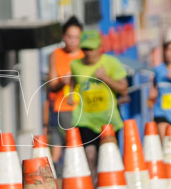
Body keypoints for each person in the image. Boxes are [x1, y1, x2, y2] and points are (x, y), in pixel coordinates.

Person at [69, 30, 129, 177]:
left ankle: (110, 187)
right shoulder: (75, 65)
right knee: (90, 156)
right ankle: (94, 188)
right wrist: (71, 94)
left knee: (109, 157)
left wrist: (105, 78)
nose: (88, 52)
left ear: (99, 47)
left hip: (108, 120)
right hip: (85, 120)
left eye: (91, 48)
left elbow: (124, 88)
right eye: (85, 49)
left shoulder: (111, 63)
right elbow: (73, 79)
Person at [46, 16, 84, 167]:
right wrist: (64, 82)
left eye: (76, 37)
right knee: (62, 145)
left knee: (80, 146)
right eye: (69, 36)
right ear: (63, 36)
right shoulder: (56, 55)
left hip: (83, 108)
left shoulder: (85, 55)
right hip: (62, 108)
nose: (73, 41)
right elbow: (52, 84)